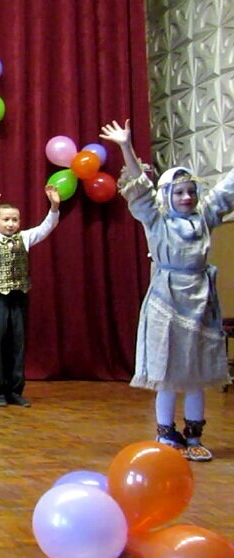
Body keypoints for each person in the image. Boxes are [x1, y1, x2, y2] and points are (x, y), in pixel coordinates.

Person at [101, 119, 233, 461]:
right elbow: (140, 189)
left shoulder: (204, 218)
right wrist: (126, 147)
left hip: (201, 300)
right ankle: (165, 433)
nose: (187, 197)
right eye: (178, 192)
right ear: (166, 197)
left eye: (190, 191)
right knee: (169, 375)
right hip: (167, 301)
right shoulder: (157, 220)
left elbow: (227, 190)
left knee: (195, 375)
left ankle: (194, 436)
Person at [0, 181, 61, 407]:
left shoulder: (25, 238)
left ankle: (15, 390)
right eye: (6, 219)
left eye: (15, 220)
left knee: (17, 343)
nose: (11, 224)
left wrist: (54, 207)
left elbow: (46, 227)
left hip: (19, 296)